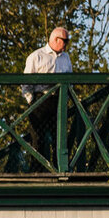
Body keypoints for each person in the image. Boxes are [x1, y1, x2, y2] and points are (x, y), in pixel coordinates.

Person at [22, 26, 72, 171]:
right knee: (38, 137)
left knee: (60, 137)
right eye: (65, 41)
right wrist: (31, 101)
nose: (67, 44)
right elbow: (25, 82)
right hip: (40, 100)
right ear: (56, 39)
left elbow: (70, 80)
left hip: (58, 101)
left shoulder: (66, 58)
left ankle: (59, 169)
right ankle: (37, 170)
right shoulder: (36, 56)